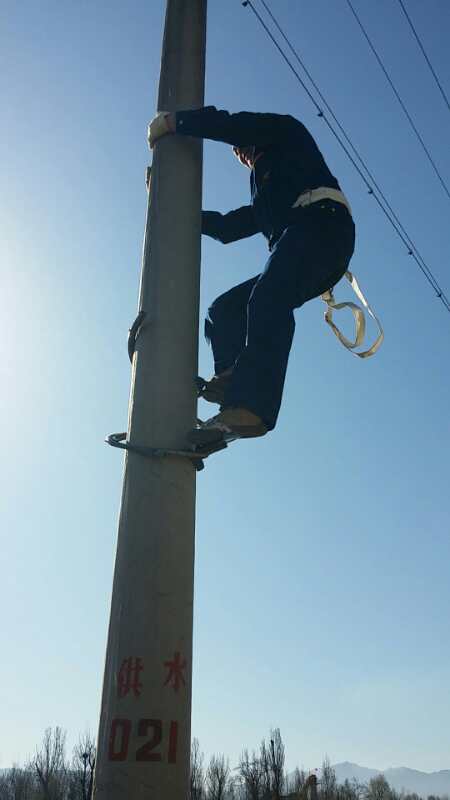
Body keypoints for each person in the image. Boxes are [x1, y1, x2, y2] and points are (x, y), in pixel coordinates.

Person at [148, 107, 355, 447]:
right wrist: (173, 205)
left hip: (323, 226)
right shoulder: (268, 194)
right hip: (304, 243)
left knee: (268, 299)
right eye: (237, 153)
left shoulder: (285, 132)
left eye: (242, 146)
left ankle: (253, 407)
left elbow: (229, 125)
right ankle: (234, 384)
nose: (240, 153)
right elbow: (228, 228)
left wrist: (175, 122)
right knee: (224, 310)